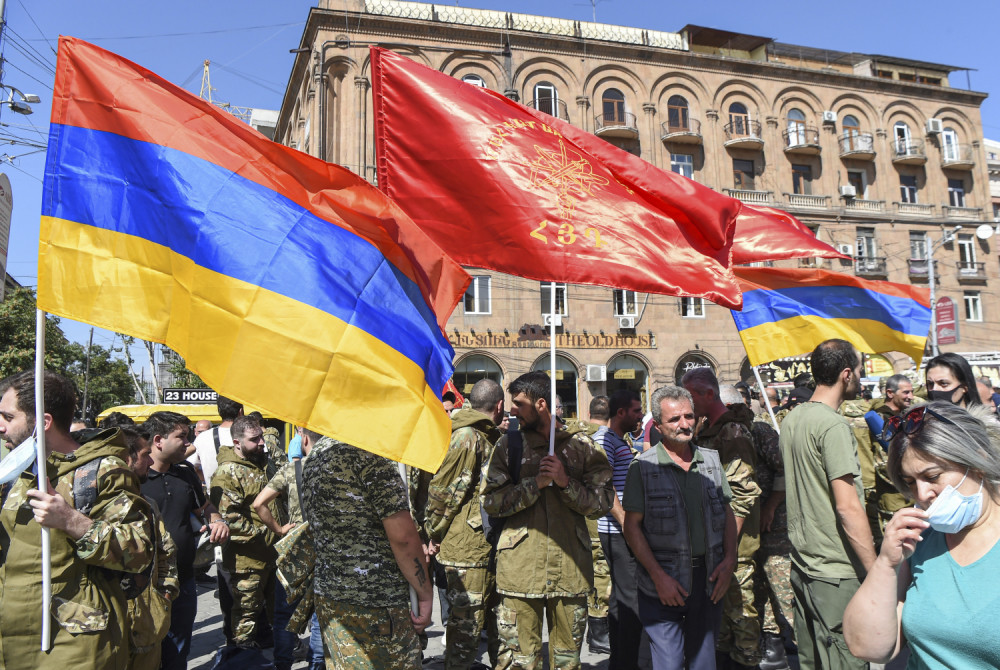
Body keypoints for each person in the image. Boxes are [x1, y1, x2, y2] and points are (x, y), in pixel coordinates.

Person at [0, 370, 154, 668]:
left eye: (8, 417)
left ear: (43, 422)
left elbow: (140, 552)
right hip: (12, 641)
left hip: (73, 645)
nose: (1, 427)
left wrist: (72, 522)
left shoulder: (102, 471)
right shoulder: (14, 470)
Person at [843, 402, 1000, 668]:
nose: (922, 494)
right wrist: (886, 564)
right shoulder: (920, 539)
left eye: (933, 476)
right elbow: (867, 646)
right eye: (910, 482)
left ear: (978, 460)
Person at [481, 371, 614, 669]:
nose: (511, 409)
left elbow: (602, 502)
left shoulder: (583, 448)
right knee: (519, 662)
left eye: (518, 403)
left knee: (567, 662)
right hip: (519, 573)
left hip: (570, 571)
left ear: (541, 403)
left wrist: (566, 483)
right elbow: (491, 501)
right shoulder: (508, 447)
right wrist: (534, 485)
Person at [622, 385, 738, 670]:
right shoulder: (642, 468)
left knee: (703, 662)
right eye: (674, 419)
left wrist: (730, 561)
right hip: (663, 583)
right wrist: (658, 576)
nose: (684, 424)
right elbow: (632, 528)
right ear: (658, 426)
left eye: (689, 416)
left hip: (708, 581)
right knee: (669, 663)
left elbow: (727, 512)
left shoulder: (710, 461)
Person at [779, 340, 875, 670]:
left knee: (812, 661)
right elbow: (848, 507)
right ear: (846, 374)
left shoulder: (793, 419)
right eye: (859, 372)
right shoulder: (833, 426)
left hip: (805, 563)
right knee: (847, 660)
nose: (860, 379)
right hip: (835, 570)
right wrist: (876, 570)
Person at [302, 435, 433, 668]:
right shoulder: (371, 454)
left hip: (330, 597)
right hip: (376, 603)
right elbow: (403, 537)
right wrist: (425, 594)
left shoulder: (317, 453)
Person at [682, 369, 762, 670]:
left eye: (691, 396)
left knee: (741, 613)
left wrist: (730, 552)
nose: (687, 403)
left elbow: (742, 496)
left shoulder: (732, 433)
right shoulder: (709, 430)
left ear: (709, 395)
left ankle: (747, 663)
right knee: (723, 622)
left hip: (735, 547)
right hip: (715, 542)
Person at [424, 378, 504, 670]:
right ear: (500, 406)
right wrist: (431, 534)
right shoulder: (468, 437)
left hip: (483, 549)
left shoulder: (486, 436)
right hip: (467, 553)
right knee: (464, 638)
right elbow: (444, 492)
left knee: (486, 630)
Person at [141, 410, 228, 670]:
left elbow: (205, 507)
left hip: (184, 576)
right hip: (146, 582)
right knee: (147, 648)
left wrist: (217, 520)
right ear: (158, 440)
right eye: (182, 437)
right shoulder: (135, 477)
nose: (189, 444)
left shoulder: (186, 472)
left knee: (179, 647)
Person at [720, 384, 793, 670]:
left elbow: (785, 469)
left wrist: (771, 506)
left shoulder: (760, 431)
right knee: (757, 587)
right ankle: (772, 645)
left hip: (773, 523)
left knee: (781, 587)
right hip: (747, 522)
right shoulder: (728, 434)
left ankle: (800, 646)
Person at [253, 427, 322, 670]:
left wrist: (280, 529)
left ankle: (282, 664)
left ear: (304, 440)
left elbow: (259, 503)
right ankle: (317, 664)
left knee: (284, 614)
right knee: (320, 616)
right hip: (325, 548)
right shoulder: (335, 470)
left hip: (295, 548)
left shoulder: (292, 470)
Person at [210, 415, 280, 650]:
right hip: (247, 561)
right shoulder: (227, 473)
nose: (262, 442)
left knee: (275, 612)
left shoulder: (263, 464)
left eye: (261, 436)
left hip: (272, 555)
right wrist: (270, 533)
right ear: (237, 443)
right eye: (254, 439)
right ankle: (241, 658)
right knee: (245, 618)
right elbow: (230, 520)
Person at [121, 427, 180, 670]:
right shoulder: (92, 506)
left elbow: (166, 552)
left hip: (148, 627)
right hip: (113, 631)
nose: (149, 460)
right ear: (127, 458)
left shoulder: (147, 505)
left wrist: (165, 595)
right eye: (145, 454)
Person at [598, 389, 644, 669]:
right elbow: (605, 484)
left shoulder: (618, 440)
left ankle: (621, 661)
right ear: (621, 413)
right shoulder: (606, 440)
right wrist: (627, 524)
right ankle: (627, 662)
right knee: (630, 600)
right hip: (617, 531)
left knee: (621, 599)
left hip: (621, 529)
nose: (640, 416)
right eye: (637, 411)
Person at [862, 374, 914, 548]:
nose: (911, 396)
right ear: (890, 393)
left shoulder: (909, 415)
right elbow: (882, 463)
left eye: (912, 392)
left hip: (913, 498)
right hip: (894, 500)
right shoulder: (880, 421)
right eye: (906, 392)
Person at [585, 394, 612, 655]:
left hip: (583, 518)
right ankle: (598, 631)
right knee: (601, 574)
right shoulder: (608, 440)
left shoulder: (579, 439)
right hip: (602, 519)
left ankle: (595, 630)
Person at [189, 394, 244, 484]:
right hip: (250, 496)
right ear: (240, 412)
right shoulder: (251, 436)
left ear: (219, 412)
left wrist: (207, 478)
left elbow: (191, 467)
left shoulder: (203, 437)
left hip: (214, 494)